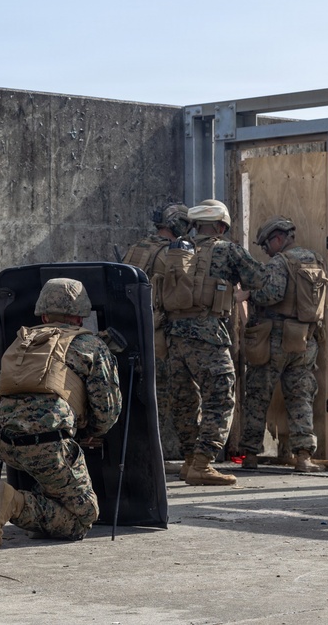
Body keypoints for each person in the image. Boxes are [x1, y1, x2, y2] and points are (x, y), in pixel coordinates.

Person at [0, 278, 122, 547]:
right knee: (83, 518)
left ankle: (37, 511)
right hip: (47, 446)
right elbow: (107, 408)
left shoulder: (23, 341)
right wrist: (91, 433)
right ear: (79, 317)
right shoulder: (90, 345)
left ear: (43, 314)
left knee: (53, 476)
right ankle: (14, 503)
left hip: (3, 442)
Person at [161, 199, 266, 487]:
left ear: (196, 224)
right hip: (209, 337)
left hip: (174, 338)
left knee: (184, 402)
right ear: (221, 226)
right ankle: (203, 464)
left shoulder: (175, 250)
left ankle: (189, 461)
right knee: (220, 399)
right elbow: (259, 277)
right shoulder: (227, 249)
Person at [238, 215, 328, 473]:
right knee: (301, 397)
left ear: (278, 238)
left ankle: (251, 455)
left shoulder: (280, 263)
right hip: (303, 339)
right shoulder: (316, 260)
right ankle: (303, 457)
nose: (265, 252)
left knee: (257, 395)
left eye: (266, 246)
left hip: (274, 339)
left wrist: (248, 294)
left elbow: (271, 294)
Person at [122, 203, 195, 476]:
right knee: (164, 399)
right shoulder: (171, 253)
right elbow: (181, 299)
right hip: (159, 337)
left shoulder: (135, 248)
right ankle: (157, 458)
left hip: (130, 333)